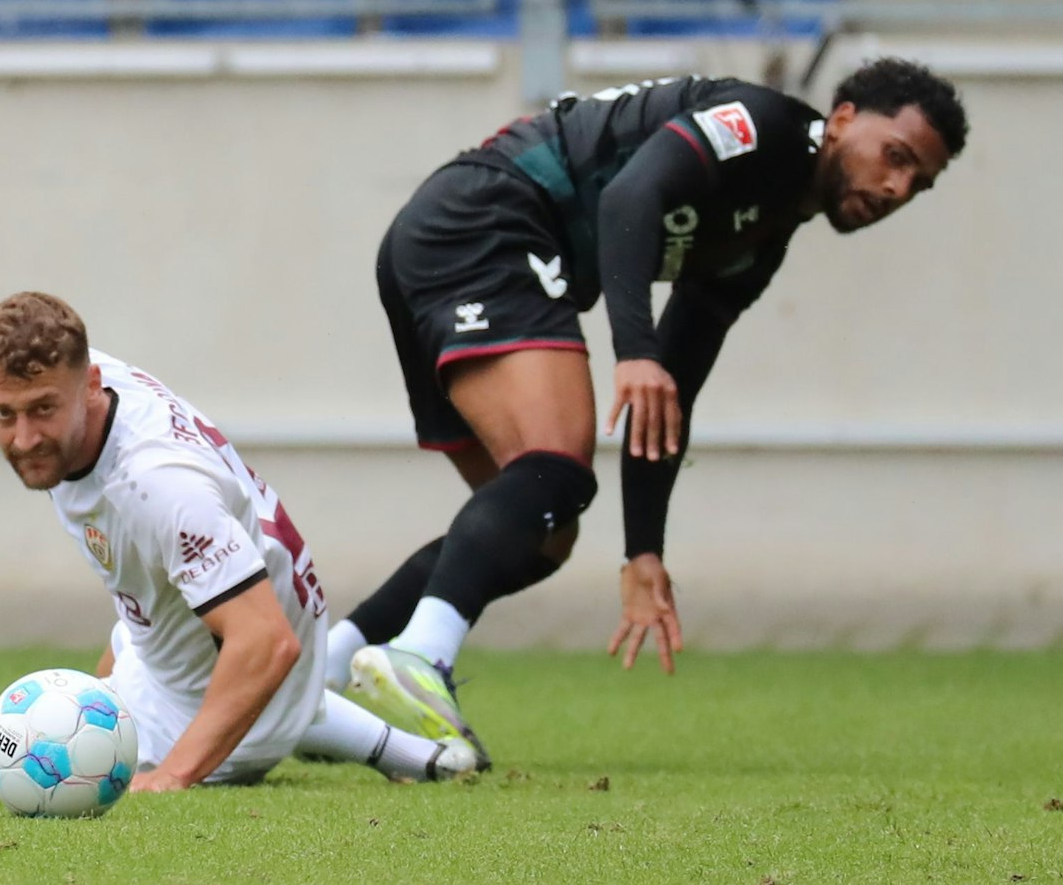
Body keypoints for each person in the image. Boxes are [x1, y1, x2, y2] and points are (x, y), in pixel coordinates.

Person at [324, 61, 969, 763]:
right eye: (896, 157)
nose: (897, 187)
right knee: (555, 468)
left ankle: (324, 671)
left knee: (542, 527)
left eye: (919, 183)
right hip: (491, 218)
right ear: (842, 120)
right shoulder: (764, 126)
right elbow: (632, 193)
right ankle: (419, 657)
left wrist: (643, 551)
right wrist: (633, 348)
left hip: (449, 237)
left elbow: (672, 394)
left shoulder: (761, 241)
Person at [0, 292, 482, 791]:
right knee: (121, 646)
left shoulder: (156, 485)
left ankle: (252, 736)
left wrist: (176, 775)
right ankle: (411, 753)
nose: (23, 436)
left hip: (212, 699)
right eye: (4, 414)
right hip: (190, 640)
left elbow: (267, 643)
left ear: (89, 386)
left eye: (42, 411)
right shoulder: (62, 382)